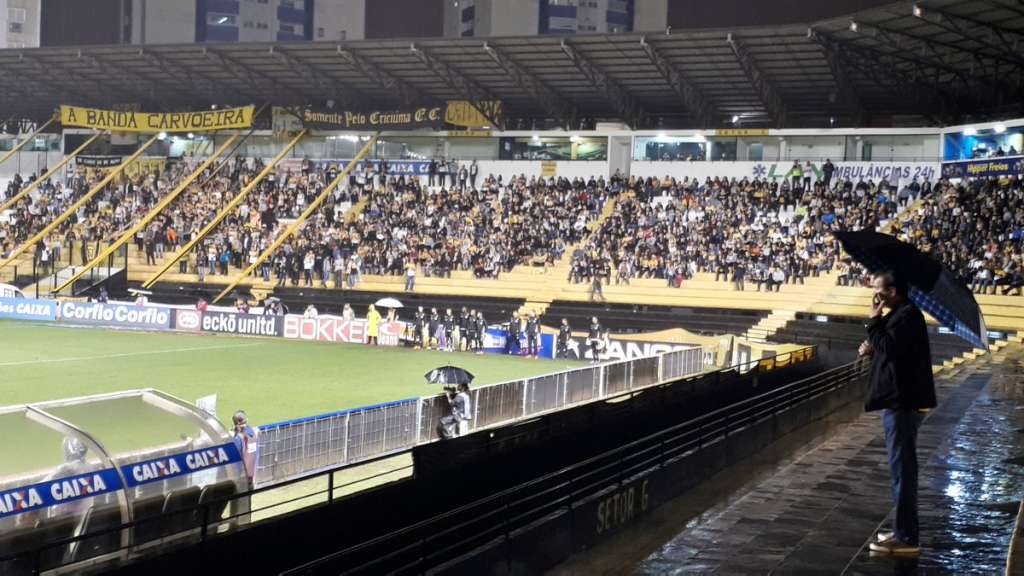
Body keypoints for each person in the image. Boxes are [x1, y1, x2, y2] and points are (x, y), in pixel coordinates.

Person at [859, 271, 935, 556]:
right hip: (897, 402)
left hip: (902, 404)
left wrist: (872, 322)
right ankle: (902, 530)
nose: (874, 293)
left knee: (903, 472)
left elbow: (890, 346)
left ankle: (907, 538)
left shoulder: (908, 315)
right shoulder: (902, 314)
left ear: (892, 290)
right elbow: (891, 352)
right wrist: (872, 349)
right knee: (900, 470)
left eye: (877, 288)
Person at [232, 411, 259, 488]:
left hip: (241, 477)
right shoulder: (253, 434)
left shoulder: (238, 439)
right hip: (252, 474)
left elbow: (235, 459)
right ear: (246, 420)